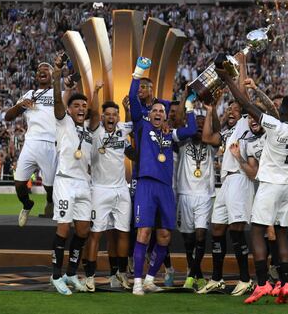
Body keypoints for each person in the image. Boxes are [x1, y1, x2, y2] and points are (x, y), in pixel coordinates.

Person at [216, 51, 288, 304]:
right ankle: (286, 283)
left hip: (269, 184)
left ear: (281, 110)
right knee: (281, 233)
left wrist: (227, 81)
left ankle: (261, 283)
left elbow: (246, 105)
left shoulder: (275, 126)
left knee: (257, 230)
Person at [129, 57, 197, 296]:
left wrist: (189, 107)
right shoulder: (142, 125)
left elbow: (191, 130)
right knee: (144, 233)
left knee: (165, 236)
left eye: (162, 111)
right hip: (146, 185)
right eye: (155, 110)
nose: (158, 113)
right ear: (150, 114)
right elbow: (136, 105)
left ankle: (149, 279)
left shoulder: (170, 134)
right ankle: (137, 281)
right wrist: (138, 74)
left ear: (167, 116)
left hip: (166, 189)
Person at [198, 89, 262, 295]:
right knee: (217, 228)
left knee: (236, 228)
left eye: (236, 108)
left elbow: (243, 96)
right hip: (225, 182)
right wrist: (210, 110)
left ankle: (245, 279)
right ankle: (217, 278)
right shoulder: (227, 133)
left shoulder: (246, 125)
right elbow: (207, 137)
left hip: (240, 178)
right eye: (229, 108)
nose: (232, 111)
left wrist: (242, 65)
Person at [49, 54, 99, 295]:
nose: (81, 108)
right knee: (63, 228)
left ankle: (70, 273)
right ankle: (55, 275)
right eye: (76, 105)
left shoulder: (88, 132)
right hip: (65, 182)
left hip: (83, 184)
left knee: (83, 230)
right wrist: (58, 74)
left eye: (83, 106)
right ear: (69, 109)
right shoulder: (63, 122)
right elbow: (59, 104)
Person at [85, 100, 133, 292]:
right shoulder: (96, 131)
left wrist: (128, 109)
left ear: (118, 117)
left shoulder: (122, 129)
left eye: (115, 114)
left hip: (121, 189)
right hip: (99, 189)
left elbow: (132, 123)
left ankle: (120, 274)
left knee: (122, 232)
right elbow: (94, 117)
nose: (111, 117)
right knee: (95, 234)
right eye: (108, 114)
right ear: (103, 116)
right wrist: (95, 94)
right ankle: (89, 276)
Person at [5, 62, 57, 225]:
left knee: (50, 186)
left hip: (51, 143)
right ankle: (27, 204)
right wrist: (21, 106)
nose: (42, 71)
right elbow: (8, 117)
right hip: (31, 143)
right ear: (36, 76)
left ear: (52, 74)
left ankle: (50, 201)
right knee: (19, 183)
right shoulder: (30, 93)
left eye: (46, 69)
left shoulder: (60, 93)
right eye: (39, 70)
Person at [175, 107, 220, 291]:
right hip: (185, 194)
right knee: (188, 240)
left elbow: (216, 129)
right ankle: (198, 274)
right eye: (197, 124)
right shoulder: (183, 143)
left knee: (201, 235)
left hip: (205, 195)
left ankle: (191, 276)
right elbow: (178, 121)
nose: (200, 128)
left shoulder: (211, 145)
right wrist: (186, 98)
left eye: (203, 125)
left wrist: (211, 111)